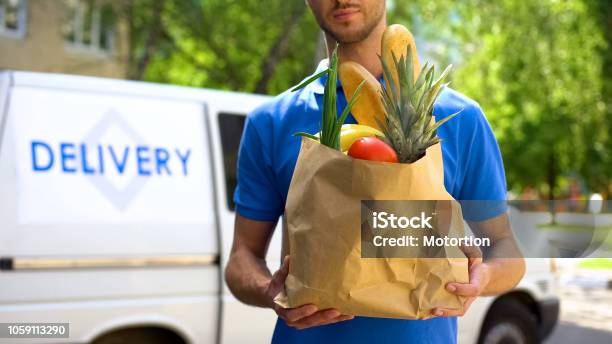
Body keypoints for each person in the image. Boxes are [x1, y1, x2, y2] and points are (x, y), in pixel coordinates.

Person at [224, 1, 525, 343]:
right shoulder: (271, 122)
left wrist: (481, 277)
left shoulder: (459, 118)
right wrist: (270, 291)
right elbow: (241, 258)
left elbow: (505, 249)